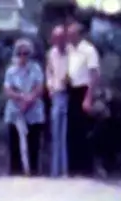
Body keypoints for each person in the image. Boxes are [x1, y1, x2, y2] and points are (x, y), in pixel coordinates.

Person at [3, 38, 46, 176]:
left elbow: (39, 88)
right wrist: (21, 98)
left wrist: (28, 100)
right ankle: (15, 172)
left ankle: (33, 172)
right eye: (20, 53)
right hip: (15, 111)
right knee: (14, 145)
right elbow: (7, 90)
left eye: (26, 53)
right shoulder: (11, 71)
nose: (23, 56)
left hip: (33, 110)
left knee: (33, 144)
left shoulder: (36, 68)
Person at [66, 22, 100, 177]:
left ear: (79, 34)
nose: (70, 36)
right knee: (73, 129)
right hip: (72, 90)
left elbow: (94, 74)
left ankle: (87, 168)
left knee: (84, 129)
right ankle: (74, 167)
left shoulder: (89, 50)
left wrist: (88, 97)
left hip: (84, 90)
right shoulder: (70, 50)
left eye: (72, 34)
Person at [46, 25, 70, 178]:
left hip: (68, 93)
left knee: (65, 134)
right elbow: (49, 72)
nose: (58, 41)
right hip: (56, 94)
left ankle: (65, 170)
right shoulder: (51, 54)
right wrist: (50, 88)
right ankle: (55, 171)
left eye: (61, 37)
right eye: (56, 38)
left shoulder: (71, 53)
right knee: (56, 133)